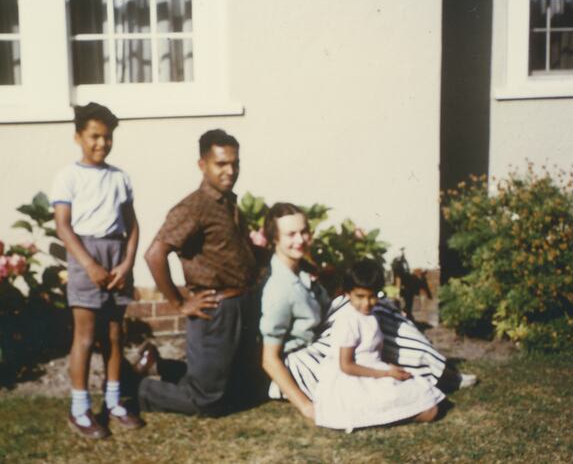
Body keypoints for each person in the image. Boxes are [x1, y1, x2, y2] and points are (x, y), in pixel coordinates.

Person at [259, 203, 474, 421]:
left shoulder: (300, 271)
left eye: (304, 231)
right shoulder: (278, 289)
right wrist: (306, 407)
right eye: (291, 234)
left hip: (322, 345)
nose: (300, 240)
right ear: (274, 238)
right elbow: (269, 359)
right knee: (367, 310)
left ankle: (435, 370)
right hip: (305, 364)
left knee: (376, 307)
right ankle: (437, 375)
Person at [138, 129, 260, 416]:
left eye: (235, 163)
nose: (230, 171)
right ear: (202, 165)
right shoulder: (193, 207)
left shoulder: (229, 203)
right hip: (214, 310)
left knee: (238, 391)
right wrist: (180, 303)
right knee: (207, 402)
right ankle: (138, 388)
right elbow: (154, 254)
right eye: (221, 164)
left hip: (240, 305)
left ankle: (162, 366)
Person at [51, 103, 144, 439]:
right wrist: (89, 264)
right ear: (78, 137)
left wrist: (127, 262)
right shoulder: (68, 177)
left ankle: (115, 401)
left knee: (115, 335)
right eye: (94, 137)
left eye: (107, 137)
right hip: (84, 254)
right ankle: (79, 410)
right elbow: (63, 226)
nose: (101, 144)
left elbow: (132, 225)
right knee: (86, 337)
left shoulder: (120, 177)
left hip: (116, 253)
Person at [313, 259, 444, 431]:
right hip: (353, 379)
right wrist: (385, 373)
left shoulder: (371, 316)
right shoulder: (348, 320)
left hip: (373, 371)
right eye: (360, 297)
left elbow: (371, 353)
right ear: (347, 294)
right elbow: (346, 366)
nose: (367, 303)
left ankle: (389, 414)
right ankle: (381, 417)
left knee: (426, 395)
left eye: (372, 296)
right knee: (428, 410)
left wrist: (390, 369)